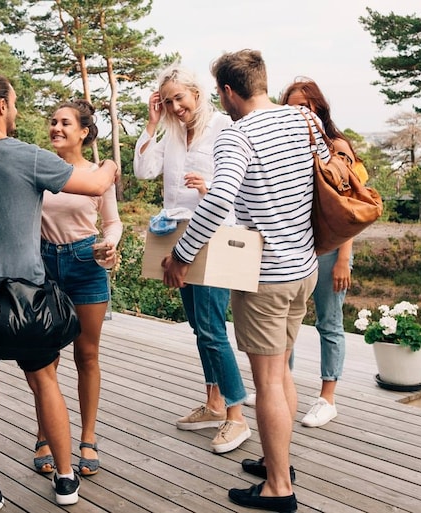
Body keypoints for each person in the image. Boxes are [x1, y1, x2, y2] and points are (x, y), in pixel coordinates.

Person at [0, 74, 119, 510]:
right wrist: (107, 166)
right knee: (46, 381)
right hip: (28, 298)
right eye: (12, 103)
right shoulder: (29, 158)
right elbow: (97, 185)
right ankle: (66, 481)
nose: (16, 110)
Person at [162, 49, 327, 513]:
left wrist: (180, 255)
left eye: (220, 92)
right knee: (282, 374)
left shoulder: (237, 135)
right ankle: (281, 464)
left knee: (269, 381)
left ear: (229, 92)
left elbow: (217, 202)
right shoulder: (302, 121)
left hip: (268, 275)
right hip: (304, 269)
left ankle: (279, 488)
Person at [133, 63, 251, 453]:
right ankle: (214, 403)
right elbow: (144, 170)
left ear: (196, 95)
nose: (174, 106)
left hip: (214, 236)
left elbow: (236, 188)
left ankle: (237, 417)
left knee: (213, 328)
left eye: (179, 98)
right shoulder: (169, 133)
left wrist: (210, 188)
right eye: (166, 101)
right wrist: (152, 125)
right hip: (175, 236)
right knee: (199, 328)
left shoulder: (223, 129)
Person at [32, 99, 123, 476]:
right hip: (42, 265)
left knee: (86, 355)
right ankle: (45, 434)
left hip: (87, 263)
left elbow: (112, 222)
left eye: (65, 123)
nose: (56, 128)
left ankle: (87, 437)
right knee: (44, 357)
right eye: (53, 122)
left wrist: (111, 245)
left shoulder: (99, 173)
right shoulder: (37, 167)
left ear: (83, 132)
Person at [278, 77, 368, 428]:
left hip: (330, 249)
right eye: (291, 106)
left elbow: (347, 208)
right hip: (298, 245)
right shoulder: (286, 144)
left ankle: (327, 397)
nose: (298, 112)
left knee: (329, 323)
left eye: (304, 106)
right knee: (288, 322)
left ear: (318, 108)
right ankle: (280, 384)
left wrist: (344, 258)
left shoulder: (336, 147)